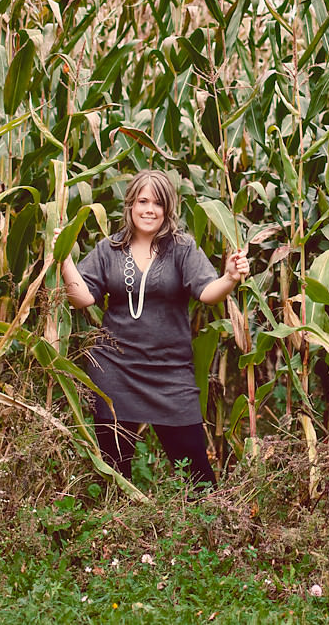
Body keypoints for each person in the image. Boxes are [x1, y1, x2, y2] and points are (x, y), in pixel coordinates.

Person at [55, 169, 249, 485]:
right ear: (130, 205)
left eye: (157, 203)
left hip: (170, 374)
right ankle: (118, 530)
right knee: (115, 475)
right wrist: (63, 257)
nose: (149, 209)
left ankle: (207, 530)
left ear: (167, 209)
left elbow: (207, 294)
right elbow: (82, 299)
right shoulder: (109, 249)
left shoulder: (182, 248)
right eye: (143, 201)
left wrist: (228, 277)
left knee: (198, 476)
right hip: (115, 372)